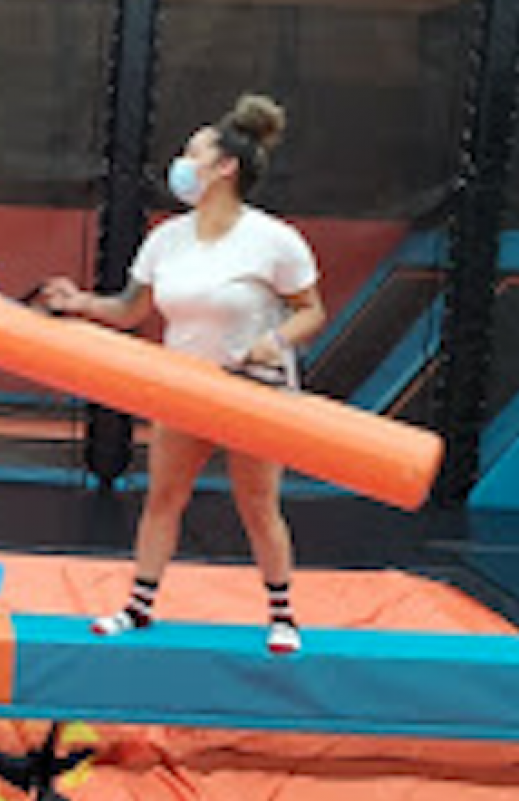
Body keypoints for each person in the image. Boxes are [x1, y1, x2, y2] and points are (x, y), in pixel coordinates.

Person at [43, 95, 326, 654]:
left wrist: (275, 342)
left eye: (193, 153)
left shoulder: (274, 240)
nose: (181, 163)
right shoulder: (167, 238)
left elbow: (311, 312)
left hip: (253, 392)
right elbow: (130, 309)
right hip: (184, 389)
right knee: (163, 498)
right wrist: (78, 303)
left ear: (225, 168)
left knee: (258, 505)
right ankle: (138, 607)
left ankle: (283, 616)